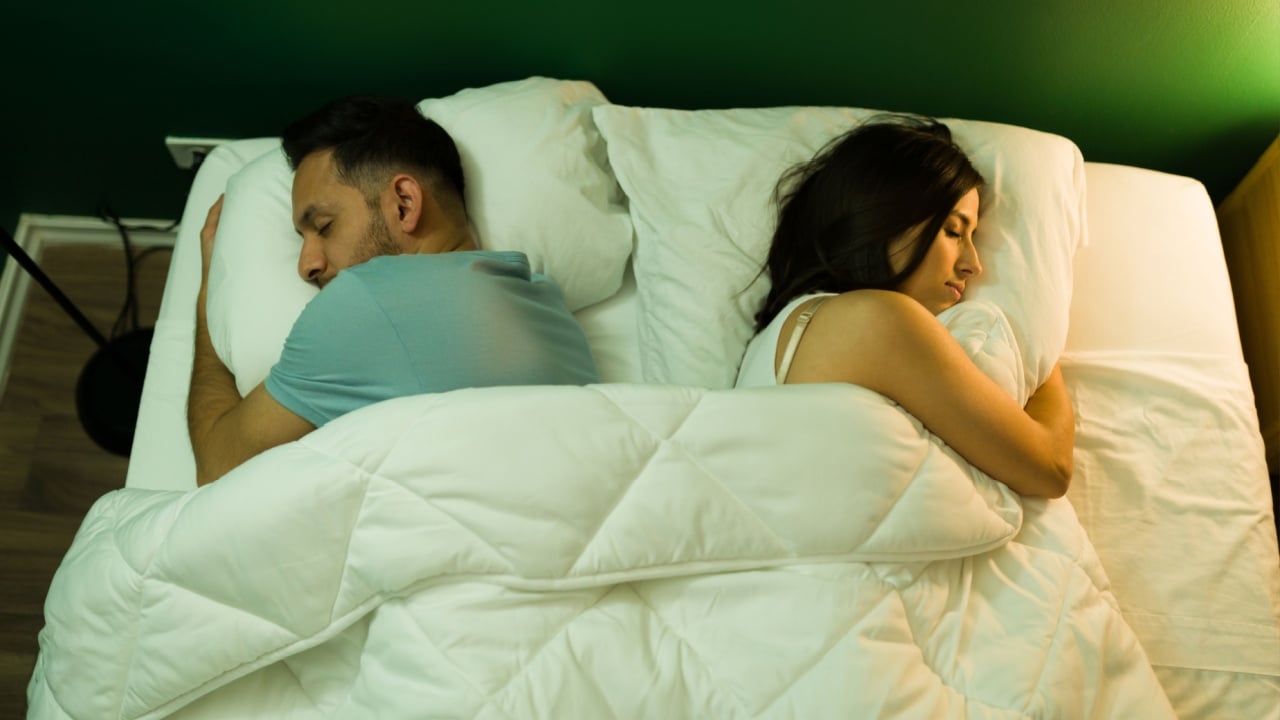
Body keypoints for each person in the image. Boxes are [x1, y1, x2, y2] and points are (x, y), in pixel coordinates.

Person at [188, 95, 599, 486]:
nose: (306, 264)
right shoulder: (552, 308)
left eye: (324, 227)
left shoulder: (363, 302)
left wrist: (208, 297)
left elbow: (216, 467)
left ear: (404, 203)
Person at [736, 116, 1073, 498]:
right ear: (887, 217)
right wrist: (1042, 349)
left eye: (973, 236)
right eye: (953, 231)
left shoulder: (773, 337)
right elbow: (1050, 470)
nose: (973, 265)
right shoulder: (880, 320)